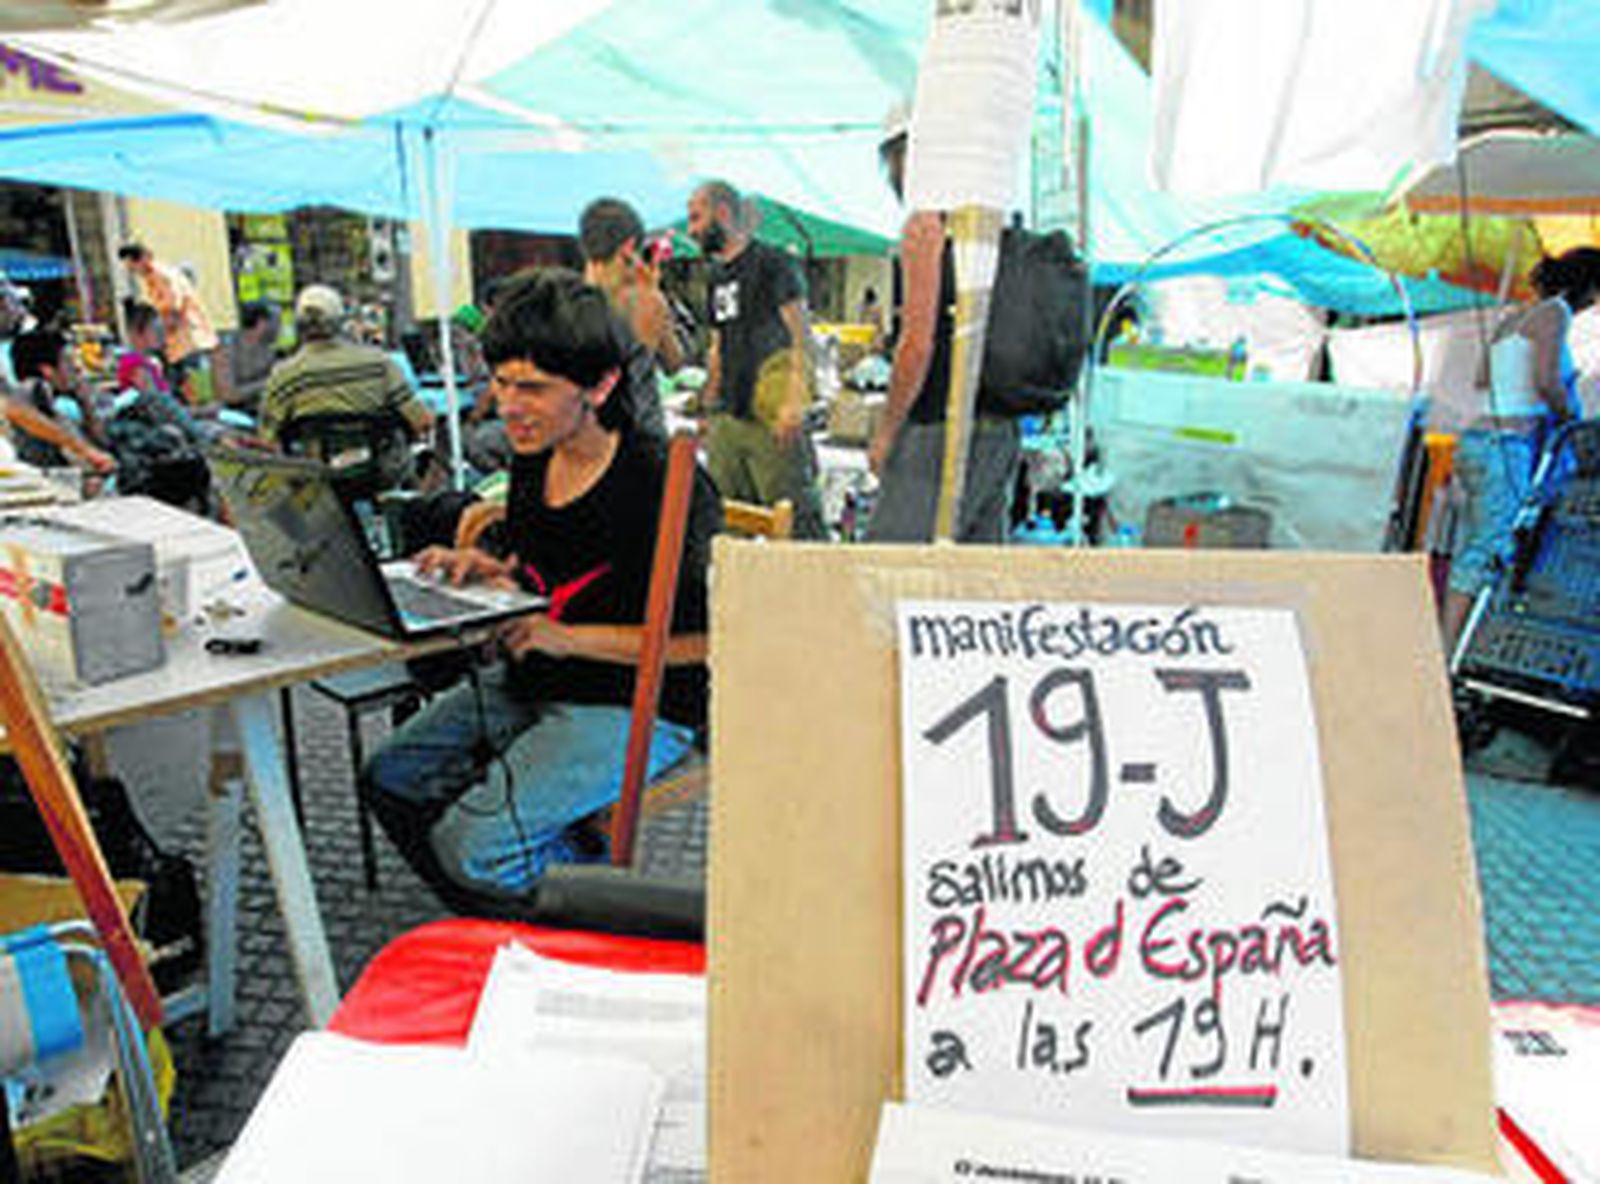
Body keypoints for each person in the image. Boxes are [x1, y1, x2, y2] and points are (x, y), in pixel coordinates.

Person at [361, 268, 720, 913]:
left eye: (532, 387)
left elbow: (709, 642)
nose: (508, 405)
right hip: (538, 677)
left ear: (601, 385)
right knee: (389, 778)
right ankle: (506, 911)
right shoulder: (534, 455)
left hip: (641, 703)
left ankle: (597, 906)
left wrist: (567, 637)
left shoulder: (664, 483)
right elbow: (551, 574)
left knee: (471, 848)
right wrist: (487, 571)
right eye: (500, 382)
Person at [865, 104, 1021, 544]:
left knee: (889, 565)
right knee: (970, 571)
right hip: (998, 428)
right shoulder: (992, 219)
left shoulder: (927, 226)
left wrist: (886, 432)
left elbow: (917, 346)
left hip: (941, 425)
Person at [1443, 246, 1600, 650]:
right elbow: (1546, 380)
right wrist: (1568, 416)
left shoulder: (1512, 319)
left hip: (1476, 440)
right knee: (1490, 549)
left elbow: (1483, 379)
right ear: (1588, 288)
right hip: (1506, 444)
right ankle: (1449, 653)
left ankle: (1450, 646)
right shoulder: (1555, 313)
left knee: (1472, 547)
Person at [687, 179, 826, 538]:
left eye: (696, 218)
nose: (691, 231)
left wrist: (794, 402)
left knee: (795, 530)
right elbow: (718, 345)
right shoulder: (715, 276)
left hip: (771, 419)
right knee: (728, 529)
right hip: (728, 421)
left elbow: (801, 336)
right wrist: (707, 408)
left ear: (722, 213)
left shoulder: (774, 264)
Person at [259, 284, 434, 488]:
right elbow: (421, 421)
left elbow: (267, 440)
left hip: (316, 481)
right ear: (341, 322)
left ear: (299, 325)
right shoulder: (379, 364)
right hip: (381, 474)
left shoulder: (285, 376)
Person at [116, 242, 224, 403]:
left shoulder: (161, 276)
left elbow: (173, 310)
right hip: (180, 341)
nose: (133, 272)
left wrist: (159, 335)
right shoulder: (153, 277)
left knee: (193, 389)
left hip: (187, 339)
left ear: (142, 259)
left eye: (132, 267)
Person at [4, 328, 115, 476]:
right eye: (68, 361)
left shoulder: (51, 402)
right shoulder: (33, 389)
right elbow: (16, 410)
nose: (76, 368)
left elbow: (103, 446)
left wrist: (86, 405)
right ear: (47, 370)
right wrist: (87, 451)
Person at [227, 300, 280, 413]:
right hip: (237, 412)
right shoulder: (231, 348)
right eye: (272, 321)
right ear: (262, 323)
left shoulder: (267, 346)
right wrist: (267, 383)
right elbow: (231, 394)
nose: (277, 326)